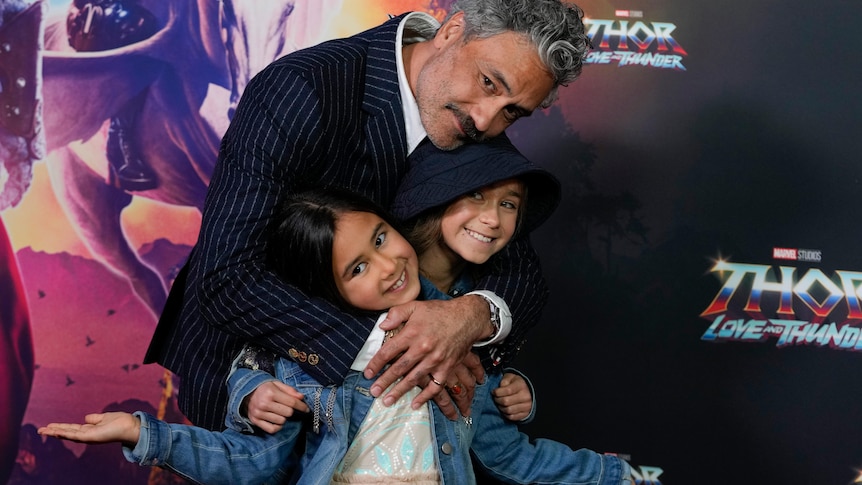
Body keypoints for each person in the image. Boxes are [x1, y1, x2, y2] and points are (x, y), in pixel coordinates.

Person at [40, 139, 632, 484]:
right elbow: (254, 463)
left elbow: (509, 453)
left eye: (379, 239)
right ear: (329, 293)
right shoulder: (303, 368)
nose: (386, 267)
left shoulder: (455, 343)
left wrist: (607, 474)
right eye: (355, 270)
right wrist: (144, 434)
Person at [142, 0, 592, 432]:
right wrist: (407, 346)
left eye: (513, 111)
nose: (486, 120)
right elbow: (226, 276)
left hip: (392, 417)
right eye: (489, 83)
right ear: (452, 31)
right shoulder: (303, 88)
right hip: (261, 386)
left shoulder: (474, 123)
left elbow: (521, 277)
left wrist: (470, 315)